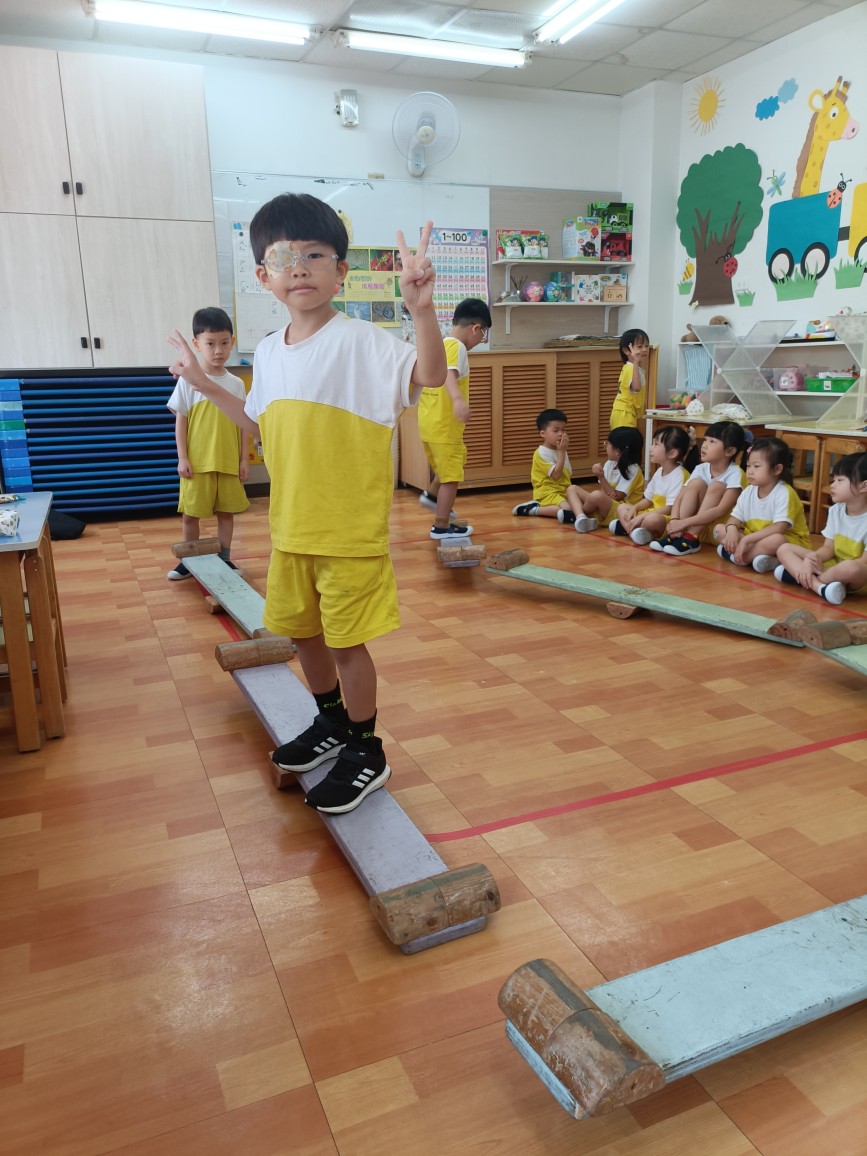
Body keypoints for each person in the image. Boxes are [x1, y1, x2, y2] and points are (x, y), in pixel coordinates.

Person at [168, 194, 446, 814]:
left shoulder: (364, 343)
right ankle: (332, 722)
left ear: (340, 270)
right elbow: (258, 423)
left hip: (348, 532)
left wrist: (422, 310)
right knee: (304, 634)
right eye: (282, 258)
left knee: (347, 645)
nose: (299, 267)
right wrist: (203, 383)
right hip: (290, 528)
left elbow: (429, 375)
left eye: (315, 255)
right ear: (262, 276)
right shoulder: (268, 351)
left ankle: (366, 749)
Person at [166, 306, 249, 580]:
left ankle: (225, 558)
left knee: (226, 514)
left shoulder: (236, 384)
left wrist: (243, 459)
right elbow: (181, 421)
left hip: (228, 462)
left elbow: (243, 423)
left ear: (232, 342)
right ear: (196, 344)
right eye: (210, 343)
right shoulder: (188, 381)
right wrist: (182, 457)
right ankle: (189, 562)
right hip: (198, 464)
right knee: (191, 515)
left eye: (224, 343)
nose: (218, 350)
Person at [417, 297, 492, 539]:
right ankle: (441, 527)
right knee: (451, 477)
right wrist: (458, 400)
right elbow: (449, 374)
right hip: (444, 424)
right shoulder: (456, 347)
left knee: (448, 465)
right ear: (476, 328)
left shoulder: (439, 344)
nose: (481, 340)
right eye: (484, 334)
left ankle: (432, 497)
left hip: (429, 422)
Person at [775, 451, 867, 605]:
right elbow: (828, 548)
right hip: (834, 566)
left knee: (850, 567)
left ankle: (801, 577)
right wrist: (813, 558)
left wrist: (811, 567)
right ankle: (821, 587)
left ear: (863, 486)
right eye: (833, 479)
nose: (833, 484)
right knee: (784, 549)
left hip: (859, 575)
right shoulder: (836, 510)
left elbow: (863, 562)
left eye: (840, 480)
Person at [713, 436, 810, 572]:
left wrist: (746, 541)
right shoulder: (749, 491)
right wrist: (732, 530)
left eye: (757, 466)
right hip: (755, 539)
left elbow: (779, 528)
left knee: (776, 540)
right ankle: (764, 559)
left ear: (777, 469)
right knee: (719, 529)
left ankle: (741, 557)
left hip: (788, 542)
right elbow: (734, 519)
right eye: (748, 466)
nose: (750, 471)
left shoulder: (785, 493)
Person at [652, 420, 747, 556]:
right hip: (689, 526)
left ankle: (691, 538)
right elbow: (680, 497)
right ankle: (677, 535)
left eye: (712, 442)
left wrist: (684, 522)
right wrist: (675, 522)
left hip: (718, 530)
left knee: (717, 486)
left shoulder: (736, 474)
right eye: (705, 440)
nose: (704, 445)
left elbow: (721, 510)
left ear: (730, 451)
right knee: (696, 483)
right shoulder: (700, 468)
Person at [609, 425, 691, 545]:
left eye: (656, 444)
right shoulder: (659, 471)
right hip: (651, 512)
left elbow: (670, 508)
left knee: (652, 520)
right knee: (622, 508)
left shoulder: (680, 475)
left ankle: (629, 528)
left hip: (666, 517)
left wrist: (643, 516)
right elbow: (648, 500)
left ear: (672, 453)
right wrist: (635, 508)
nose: (651, 448)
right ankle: (633, 531)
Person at [559, 425, 644, 533]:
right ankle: (581, 517)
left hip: (621, 511)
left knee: (596, 495)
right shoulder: (610, 464)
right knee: (572, 489)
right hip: (606, 505)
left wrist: (601, 477)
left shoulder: (633, 470)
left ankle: (574, 514)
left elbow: (617, 497)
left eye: (608, 444)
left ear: (617, 451)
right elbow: (606, 493)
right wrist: (604, 494)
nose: (605, 446)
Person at [511, 408, 587, 524]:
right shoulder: (541, 453)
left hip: (563, 491)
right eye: (556, 430)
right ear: (543, 434)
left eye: (563, 430)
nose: (561, 433)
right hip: (547, 492)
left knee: (583, 506)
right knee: (569, 509)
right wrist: (562, 452)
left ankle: (565, 513)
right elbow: (556, 475)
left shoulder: (562, 451)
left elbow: (567, 474)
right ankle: (533, 509)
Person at [609, 328, 650, 429]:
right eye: (639, 346)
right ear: (626, 350)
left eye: (646, 346)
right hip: (624, 414)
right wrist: (636, 362)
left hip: (625, 413)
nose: (644, 349)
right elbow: (636, 388)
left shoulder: (630, 367)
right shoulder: (631, 368)